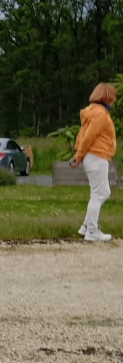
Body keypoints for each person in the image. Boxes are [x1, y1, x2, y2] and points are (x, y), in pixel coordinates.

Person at [71, 82, 118, 243]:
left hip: (94, 156)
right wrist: (79, 154)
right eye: (113, 98)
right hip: (97, 156)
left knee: (102, 192)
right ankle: (92, 231)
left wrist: (80, 154)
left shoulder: (92, 112)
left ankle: (86, 226)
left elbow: (83, 135)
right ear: (107, 97)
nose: (114, 101)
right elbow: (89, 136)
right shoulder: (100, 114)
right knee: (100, 193)